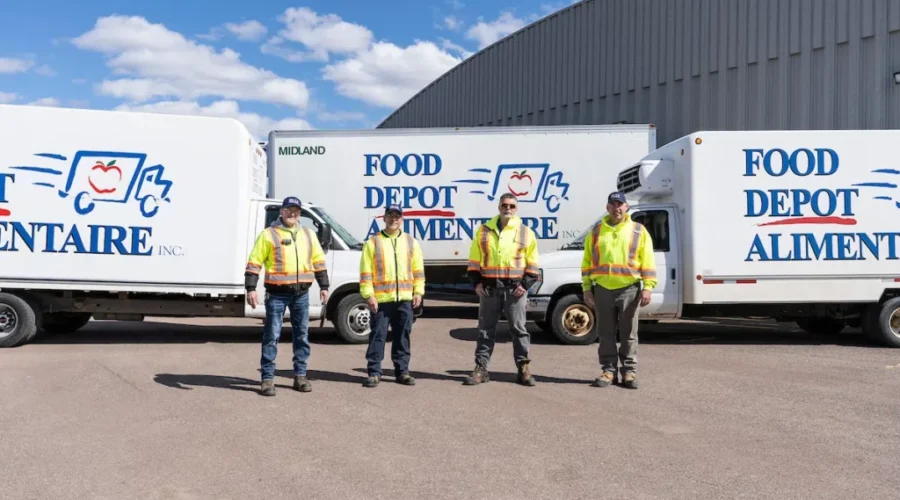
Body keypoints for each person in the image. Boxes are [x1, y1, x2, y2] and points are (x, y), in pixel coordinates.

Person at [245, 196, 330, 397]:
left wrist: (324, 285)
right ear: (281, 212)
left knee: (301, 336)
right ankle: (267, 379)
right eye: (289, 210)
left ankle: (300, 376)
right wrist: (251, 288)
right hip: (276, 294)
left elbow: (319, 261)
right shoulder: (268, 235)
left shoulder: (308, 234)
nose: (293, 214)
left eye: (296, 211)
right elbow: (254, 262)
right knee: (271, 337)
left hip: (301, 294)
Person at [463, 193, 540, 387]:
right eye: (504, 205)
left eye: (512, 206)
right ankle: (481, 369)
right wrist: (476, 282)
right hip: (489, 289)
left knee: (519, 330)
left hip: (515, 291)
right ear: (498, 207)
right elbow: (474, 259)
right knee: (485, 331)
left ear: (517, 209)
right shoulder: (484, 230)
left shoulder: (525, 232)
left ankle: (523, 369)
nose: (508, 208)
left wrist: (525, 284)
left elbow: (533, 263)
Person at [581, 191, 656, 390]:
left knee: (629, 333)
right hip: (603, 289)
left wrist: (647, 287)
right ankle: (608, 371)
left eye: (620, 204)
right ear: (607, 208)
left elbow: (648, 261)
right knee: (605, 333)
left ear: (626, 208)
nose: (617, 208)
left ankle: (629, 371)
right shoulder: (596, 232)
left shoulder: (639, 231)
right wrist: (587, 289)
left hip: (629, 289)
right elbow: (587, 262)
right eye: (613, 204)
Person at [358, 204, 426, 388]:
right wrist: (368, 295)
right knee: (378, 336)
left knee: (402, 336)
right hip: (380, 300)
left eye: (397, 216)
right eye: (390, 215)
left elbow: (418, 270)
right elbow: (365, 272)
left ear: (401, 219)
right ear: (384, 218)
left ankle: (402, 371)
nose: (394, 219)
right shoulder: (373, 242)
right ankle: (373, 372)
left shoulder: (411, 242)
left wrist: (418, 292)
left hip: (404, 299)